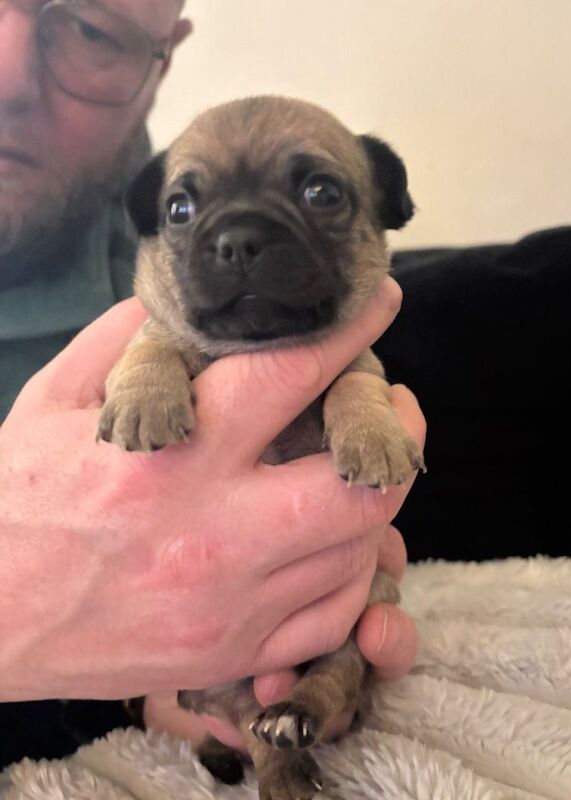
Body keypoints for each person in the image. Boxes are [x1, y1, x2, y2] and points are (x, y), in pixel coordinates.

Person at [0, 0, 424, 767]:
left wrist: (156, 682)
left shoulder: (130, 261)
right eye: (189, 209)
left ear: (163, 52)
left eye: (90, 28)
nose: (6, 75)